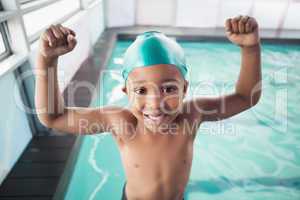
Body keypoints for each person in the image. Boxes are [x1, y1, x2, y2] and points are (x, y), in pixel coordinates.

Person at [35, 15, 261, 200]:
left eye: (169, 89)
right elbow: (53, 117)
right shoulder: (121, 122)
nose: (155, 104)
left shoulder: (192, 114)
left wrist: (250, 48)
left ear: (185, 88)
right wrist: (47, 61)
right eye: (142, 91)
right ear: (126, 92)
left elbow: (245, 97)